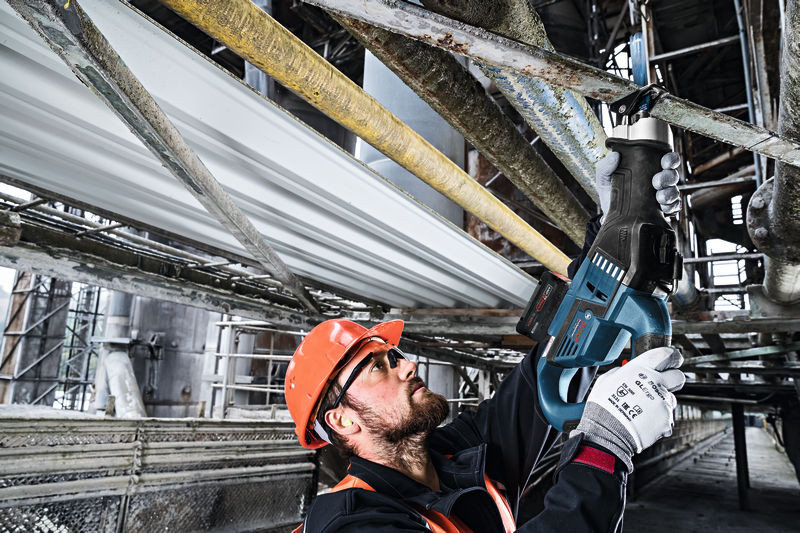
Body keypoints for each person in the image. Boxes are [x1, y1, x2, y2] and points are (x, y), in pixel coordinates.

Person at [285, 152, 686, 532]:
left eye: (395, 356)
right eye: (378, 366)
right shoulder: (352, 521)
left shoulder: (457, 456)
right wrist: (603, 446)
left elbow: (557, 365)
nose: (408, 365)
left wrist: (616, 233)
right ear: (342, 420)